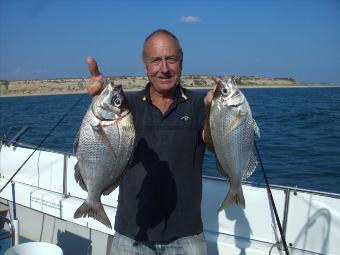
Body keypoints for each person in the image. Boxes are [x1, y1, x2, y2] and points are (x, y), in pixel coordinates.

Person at [87, 29, 214, 255]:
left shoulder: (198, 104)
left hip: (187, 235)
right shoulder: (128, 106)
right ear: (145, 66)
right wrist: (101, 95)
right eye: (156, 60)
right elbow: (99, 135)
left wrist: (218, 112)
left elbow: (214, 145)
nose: (164, 69)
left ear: (181, 62)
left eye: (171, 59)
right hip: (131, 235)